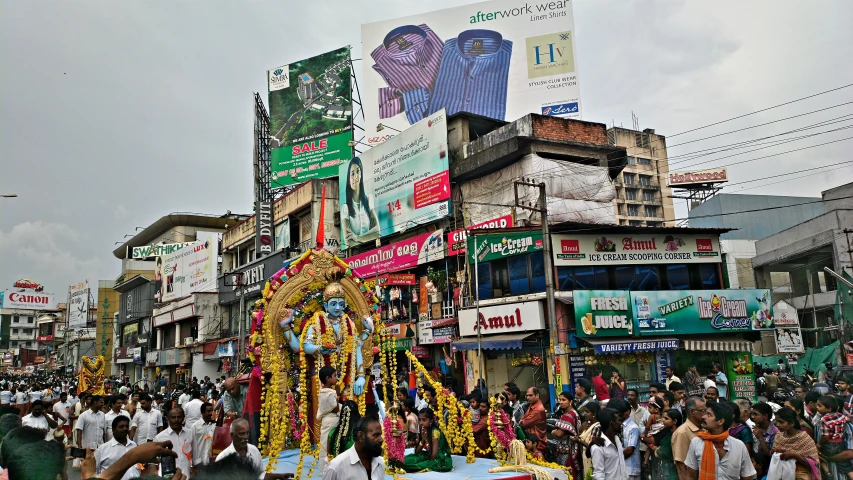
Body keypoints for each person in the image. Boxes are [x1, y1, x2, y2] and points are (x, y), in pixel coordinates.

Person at [683, 401, 756, 479]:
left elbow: (747, 477)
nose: (704, 417)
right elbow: (691, 476)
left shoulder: (739, 446)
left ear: (720, 421)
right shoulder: (696, 442)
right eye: (705, 413)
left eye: (709, 415)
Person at [325, 415, 385, 480]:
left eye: (380, 435)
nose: (381, 439)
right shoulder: (337, 466)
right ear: (360, 436)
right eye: (376, 435)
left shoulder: (379, 463)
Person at [772, 406, 821, 480]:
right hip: (781, 475)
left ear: (791, 423)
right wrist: (775, 451)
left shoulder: (804, 438)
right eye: (777, 421)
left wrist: (795, 455)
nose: (777, 424)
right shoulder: (779, 436)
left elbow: (814, 463)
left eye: (781, 422)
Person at [341, 156, 380, 246]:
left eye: (358, 172)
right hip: (356, 256)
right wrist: (369, 236)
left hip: (372, 250)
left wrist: (357, 238)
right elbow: (348, 241)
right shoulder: (346, 208)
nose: (355, 177)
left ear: (361, 174)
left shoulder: (368, 200)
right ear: (349, 179)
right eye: (352, 174)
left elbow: (377, 232)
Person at [95, 416, 140, 480]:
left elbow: (138, 464)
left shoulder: (134, 445)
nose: (125, 429)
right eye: (121, 427)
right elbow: (95, 471)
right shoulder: (102, 449)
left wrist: (141, 469)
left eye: (126, 426)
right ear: (113, 430)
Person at [672, 396, 705, 478]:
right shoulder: (682, 432)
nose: (705, 414)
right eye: (702, 411)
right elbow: (681, 465)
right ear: (692, 412)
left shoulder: (704, 428)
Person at [155, 407, 194, 476]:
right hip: (168, 476)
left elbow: (195, 456)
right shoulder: (159, 438)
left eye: (179, 417)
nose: (176, 420)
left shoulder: (190, 433)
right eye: (173, 417)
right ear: (168, 419)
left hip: (187, 474)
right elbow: (155, 461)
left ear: (183, 419)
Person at [590, 408, 626, 479]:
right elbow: (598, 474)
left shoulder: (617, 440)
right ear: (612, 423)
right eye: (618, 420)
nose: (621, 424)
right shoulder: (598, 447)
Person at [552, 391, 582, 477]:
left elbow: (559, 434)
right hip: (573, 449)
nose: (560, 402)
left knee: (568, 474)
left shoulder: (569, 415)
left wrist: (553, 432)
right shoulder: (573, 413)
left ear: (570, 401)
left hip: (568, 451)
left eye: (564, 400)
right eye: (560, 399)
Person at [317, 366, 341, 473]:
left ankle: (327, 469)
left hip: (328, 420)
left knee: (326, 443)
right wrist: (338, 394)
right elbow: (335, 409)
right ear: (328, 379)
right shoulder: (330, 393)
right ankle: (326, 470)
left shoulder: (323, 391)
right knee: (328, 444)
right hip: (331, 420)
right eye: (335, 376)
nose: (337, 378)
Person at [610, 399, 640, 480]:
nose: (618, 415)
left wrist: (615, 459)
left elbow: (630, 450)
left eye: (620, 413)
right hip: (621, 469)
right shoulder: (617, 426)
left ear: (627, 412)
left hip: (630, 469)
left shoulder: (633, 428)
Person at [647, 408, 681, 480]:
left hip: (672, 473)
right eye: (663, 417)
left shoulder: (674, 436)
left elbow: (658, 453)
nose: (663, 420)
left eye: (666, 418)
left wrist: (657, 448)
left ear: (675, 421)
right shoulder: (667, 433)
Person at [750, 401, 779, 477]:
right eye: (752, 414)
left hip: (769, 470)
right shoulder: (756, 427)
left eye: (755, 414)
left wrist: (760, 438)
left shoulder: (775, 432)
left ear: (765, 416)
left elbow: (771, 454)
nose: (752, 417)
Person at [574, 402, 601, 477]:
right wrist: (581, 430)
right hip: (586, 459)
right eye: (585, 411)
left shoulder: (597, 427)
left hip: (592, 460)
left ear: (594, 414)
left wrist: (579, 440)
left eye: (587, 412)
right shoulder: (587, 425)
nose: (585, 414)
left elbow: (592, 445)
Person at [520, 387, 547, 453]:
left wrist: (522, 421)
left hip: (537, 444)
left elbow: (523, 424)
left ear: (537, 395)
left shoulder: (537, 409)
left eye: (531, 395)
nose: (528, 398)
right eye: (527, 395)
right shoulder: (532, 405)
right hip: (531, 441)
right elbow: (522, 419)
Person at [192, 402, 216, 468]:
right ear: (202, 412)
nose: (211, 413)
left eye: (212, 411)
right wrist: (196, 461)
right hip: (200, 461)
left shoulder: (215, 425)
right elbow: (192, 445)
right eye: (208, 411)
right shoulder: (195, 426)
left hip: (212, 461)